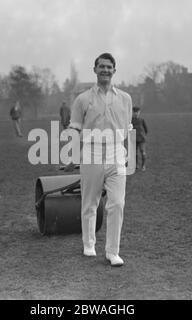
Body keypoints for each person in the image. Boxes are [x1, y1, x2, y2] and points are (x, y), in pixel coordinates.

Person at [65, 53, 133, 267]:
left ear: (114, 70)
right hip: (92, 152)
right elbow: (74, 127)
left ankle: (113, 252)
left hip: (116, 153)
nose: (105, 70)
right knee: (90, 201)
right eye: (101, 66)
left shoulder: (125, 98)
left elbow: (127, 128)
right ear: (94, 70)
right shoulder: (83, 99)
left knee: (117, 203)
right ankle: (89, 243)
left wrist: (127, 153)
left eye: (109, 67)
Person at [132, 106, 148, 171]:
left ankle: (143, 165)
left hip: (141, 139)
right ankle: (136, 165)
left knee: (142, 151)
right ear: (133, 112)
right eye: (135, 112)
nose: (136, 113)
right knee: (135, 153)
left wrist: (143, 135)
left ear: (139, 112)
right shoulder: (131, 120)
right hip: (133, 139)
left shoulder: (142, 120)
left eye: (137, 112)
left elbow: (146, 129)